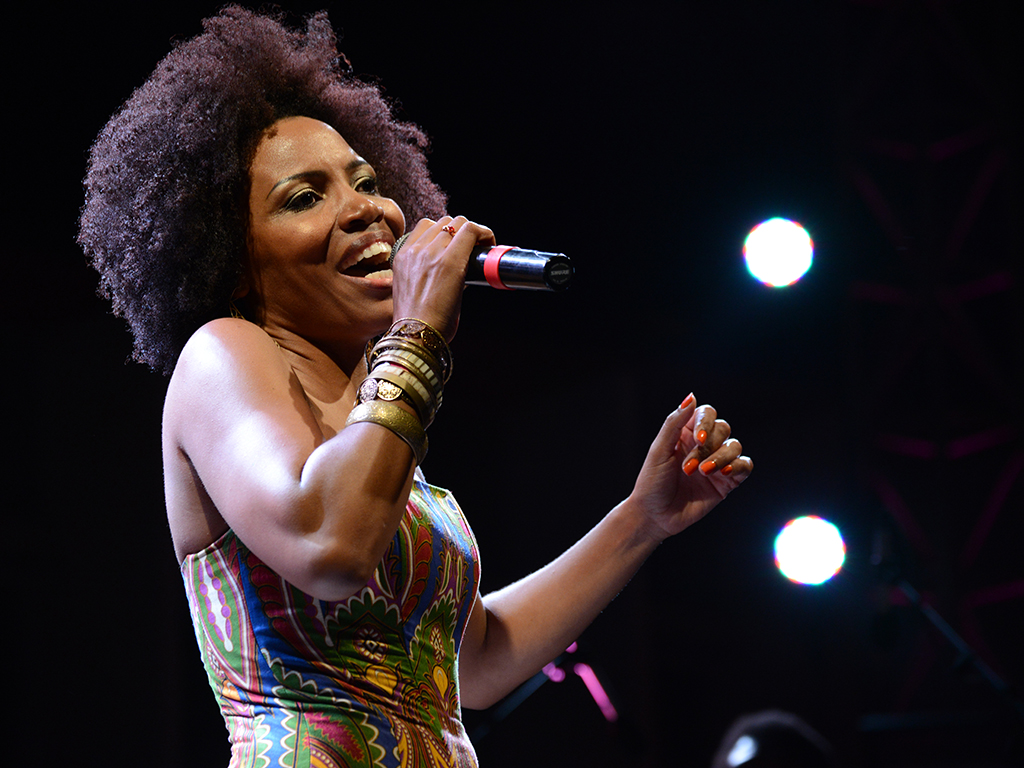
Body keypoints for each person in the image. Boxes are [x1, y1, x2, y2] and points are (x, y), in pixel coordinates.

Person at [79, 7, 752, 767]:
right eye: (304, 197)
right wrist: (418, 334)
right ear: (230, 259)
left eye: (366, 182)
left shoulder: (374, 420)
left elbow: (476, 666)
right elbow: (328, 544)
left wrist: (641, 520)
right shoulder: (223, 355)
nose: (365, 209)